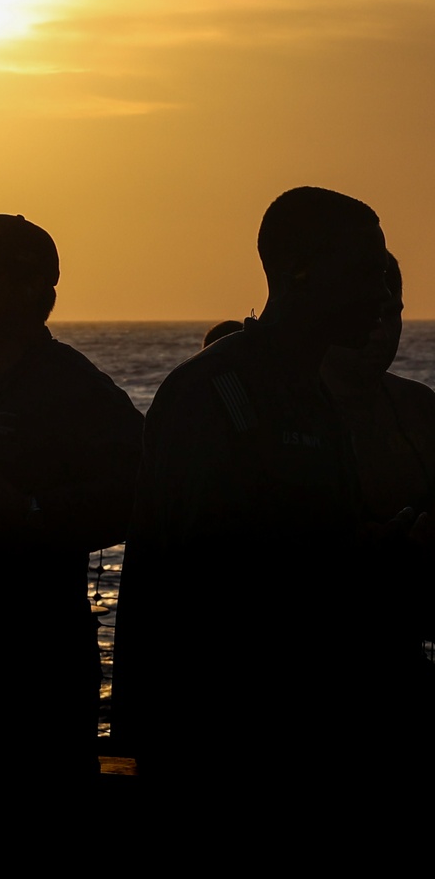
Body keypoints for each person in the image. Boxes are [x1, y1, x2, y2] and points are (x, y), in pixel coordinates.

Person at [113, 186, 392, 781]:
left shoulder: (310, 396)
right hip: (228, 736)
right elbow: (205, 579)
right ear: (300, 270)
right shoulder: (217, 392)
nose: (381, 294)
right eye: (365, 271)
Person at [0, 213, 144, 797]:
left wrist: (31, 511)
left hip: (37, 665)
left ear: (34, 289)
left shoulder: (81, 393)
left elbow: (139, 492)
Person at [321, 253, 435, 750]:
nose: (382, 331)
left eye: (395, 314)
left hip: (403, 656)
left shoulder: (420, 409)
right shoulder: (275, 407)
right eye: (370, 313)